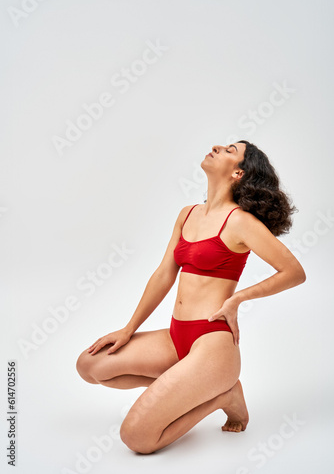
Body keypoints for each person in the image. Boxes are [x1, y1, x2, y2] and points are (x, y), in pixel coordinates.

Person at [76, 140, 306, 454]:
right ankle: (192, 385)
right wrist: (128, 328)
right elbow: (163, 275)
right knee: (90, 364)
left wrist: (237, 299)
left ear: (238, 173)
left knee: (137, 438)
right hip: (176, 337)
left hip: (211, 343)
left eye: (229, 150)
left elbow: (294, 271)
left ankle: (223, 395)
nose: (217, 147)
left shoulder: (240, 222)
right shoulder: (188, 214)